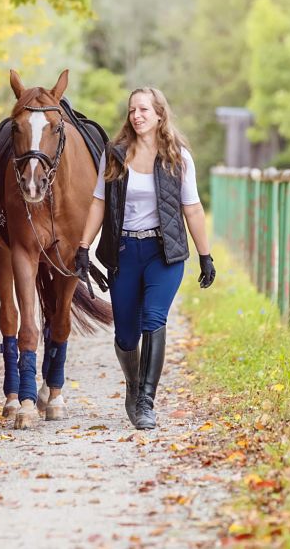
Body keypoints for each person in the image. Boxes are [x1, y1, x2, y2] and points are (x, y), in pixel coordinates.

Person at [75, 87, 215, 430]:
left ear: (159, 115)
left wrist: (205, 255)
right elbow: (99, 203)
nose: (137, 115)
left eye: (144, 110)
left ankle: (146, 401)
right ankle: (134, 385)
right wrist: (83, 246)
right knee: (125, 334)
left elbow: (192, 207)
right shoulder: (116, 154)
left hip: (164, 253)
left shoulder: (178, 157)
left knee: (154, 319)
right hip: (125, 252)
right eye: (132, 110)